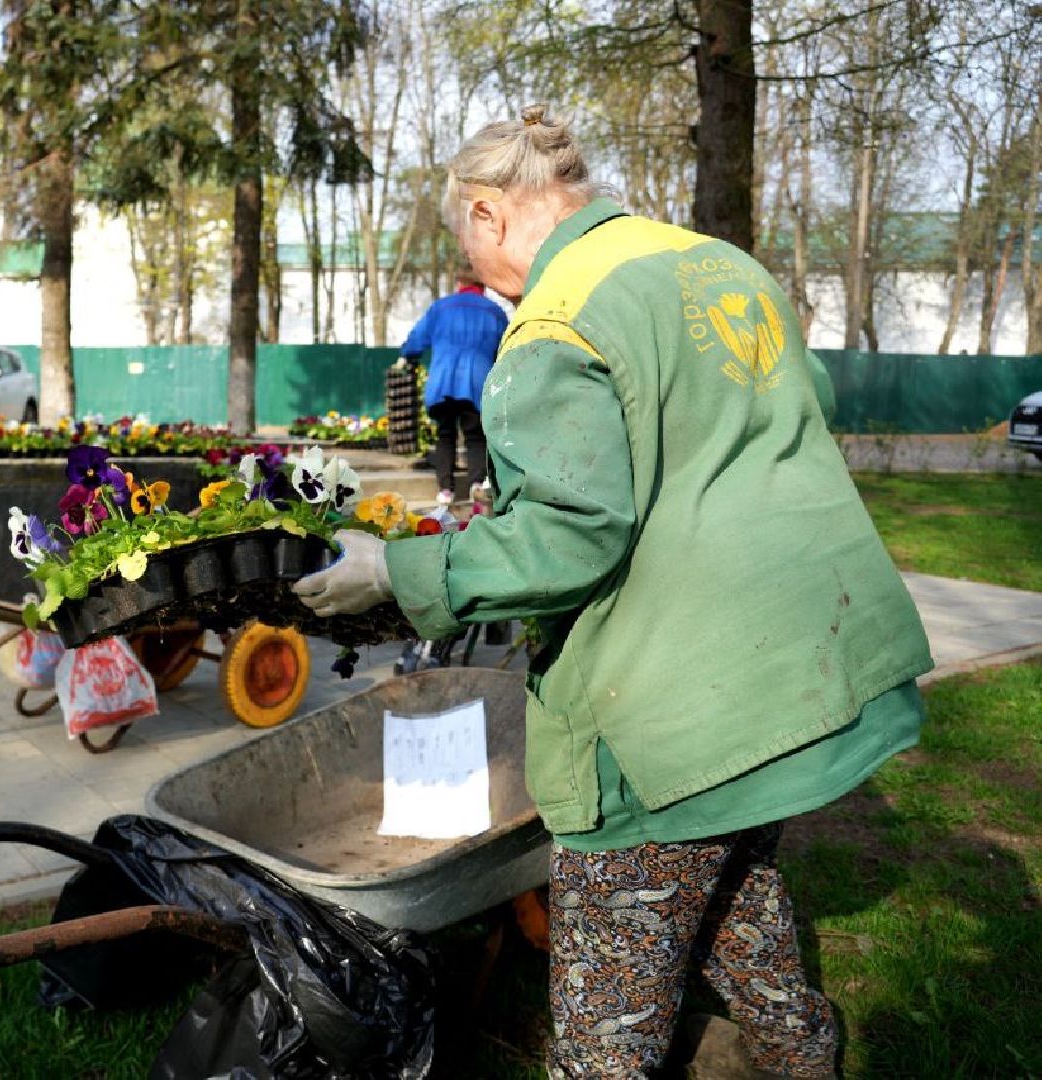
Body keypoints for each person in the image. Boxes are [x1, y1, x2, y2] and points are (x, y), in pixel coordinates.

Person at [293, 104, 931, 1079]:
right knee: (728, 878)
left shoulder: (554, 320)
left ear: (487, 213)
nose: (476, 266)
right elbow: (782, 414)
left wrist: (397, 569)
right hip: (805, 670)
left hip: (676, 713)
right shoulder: (717, 265)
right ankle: (798, 1049)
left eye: (463, 238)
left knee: (606, 1016)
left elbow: (573, 536)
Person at [397, 268, 508, 505]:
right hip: (478, 383)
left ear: (459, 283)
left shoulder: (441, 308)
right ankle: (477, 485)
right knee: (476, 436)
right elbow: (506, 348)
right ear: (483, 286)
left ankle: (445, 491)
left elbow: (417, 339)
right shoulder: (495, 312)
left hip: (443, 381)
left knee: (445, 434)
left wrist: (408, 355)